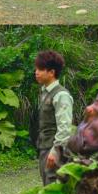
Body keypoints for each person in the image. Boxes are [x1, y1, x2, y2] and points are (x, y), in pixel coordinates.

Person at [34, 51, 73, 186]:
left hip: (54, 150)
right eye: (36, 69)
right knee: (47, 186)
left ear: (51, 72)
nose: (36, 72)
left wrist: (56, 150)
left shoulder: (61, 95)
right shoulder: (45, 92)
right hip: (44, 148)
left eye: (40, 69)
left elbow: (64, 127)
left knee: (54, 188)